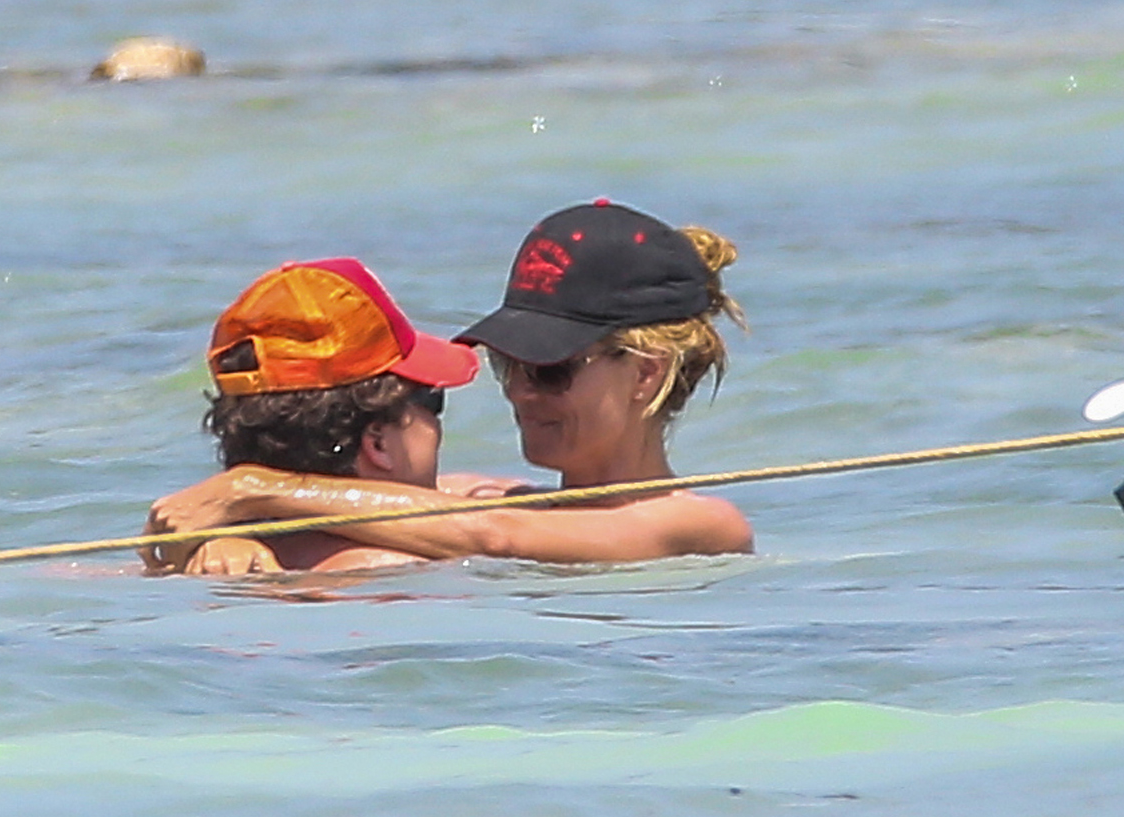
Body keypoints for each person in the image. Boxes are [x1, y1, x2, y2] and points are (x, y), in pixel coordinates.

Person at [147, 201, 753, 565]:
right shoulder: (469, 496)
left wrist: (252, 489)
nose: (518, 392)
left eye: (548, 370)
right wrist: (223, 544)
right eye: (507, 364)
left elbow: (497, 538)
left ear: (645, 374)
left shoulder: (700, 526)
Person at [154, 257, 488, 575]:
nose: (437, 424)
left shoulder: (203, 559)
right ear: (378, 443)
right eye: (433, 401)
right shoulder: (398, 571)